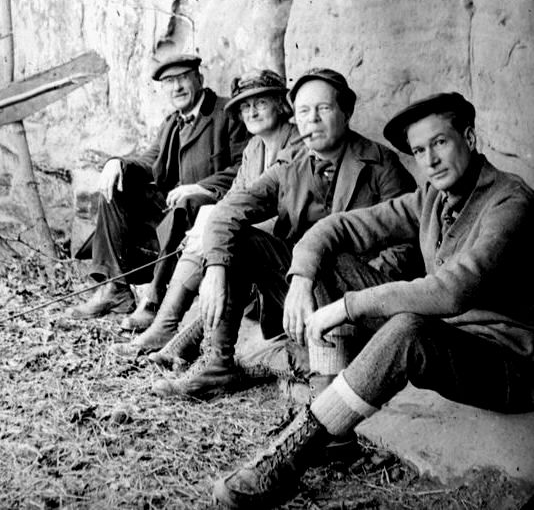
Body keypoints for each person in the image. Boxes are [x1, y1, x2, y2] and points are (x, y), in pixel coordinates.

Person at [212, 92, 534, 509]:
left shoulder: (509, 201)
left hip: (508, 363)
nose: (430, 160)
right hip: (448, 338)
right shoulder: (432, 198)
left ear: (469, 138)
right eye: (419, 151)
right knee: (332, 262)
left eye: (440, 143)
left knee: (407, 327)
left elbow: (452, 291)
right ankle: (332, 420)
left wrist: (348, 306)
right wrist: (301, 277)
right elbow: (337, 227)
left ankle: (296, 452)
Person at [153, 67, 417, 399]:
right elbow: (228, 211)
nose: (313, 120)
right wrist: (216, 269)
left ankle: (326, 363)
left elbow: (409, 243)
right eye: (304, 111)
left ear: (347, 112)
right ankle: (220, 366)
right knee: (241, 239)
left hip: (363, 298)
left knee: (328, 253)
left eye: (324, 109)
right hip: (300, 293)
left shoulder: (380, 164)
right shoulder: (291, 163)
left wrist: (355, 295)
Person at [112, 69, 298, 361]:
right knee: (210, 221)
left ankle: (168, 329)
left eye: (260, 103)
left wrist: (215, 226)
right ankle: (168, 330)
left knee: (217, 226)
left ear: (280, 104)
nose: (251, 112)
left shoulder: (297, 144)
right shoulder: (254, 148)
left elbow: (276, 209)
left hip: (284, 255)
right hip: (251, 245)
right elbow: (235, 197)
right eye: (245, 106)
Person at [66, 53, 248, 322]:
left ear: (199, 78)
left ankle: (154, 300)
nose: (177, 87)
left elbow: (244, 166)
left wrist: (200, 187)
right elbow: (151, 161)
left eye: (183, 78)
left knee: (183, 205)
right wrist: (118, 163)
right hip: (173, 211)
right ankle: (116, 287)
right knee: (116, 187)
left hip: (209, 210)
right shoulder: (172, 123)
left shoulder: (226, 113)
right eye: (169, 82)